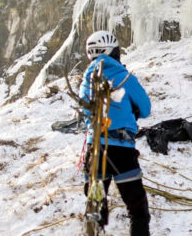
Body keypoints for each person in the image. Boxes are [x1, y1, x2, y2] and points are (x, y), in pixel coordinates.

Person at [79, 30, 151, 235]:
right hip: (122, 152)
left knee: (95, 213)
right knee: (138, 211)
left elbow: (86, 116)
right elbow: (146, 108)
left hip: (95, 152)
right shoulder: (125, 77)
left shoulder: (86, 81)